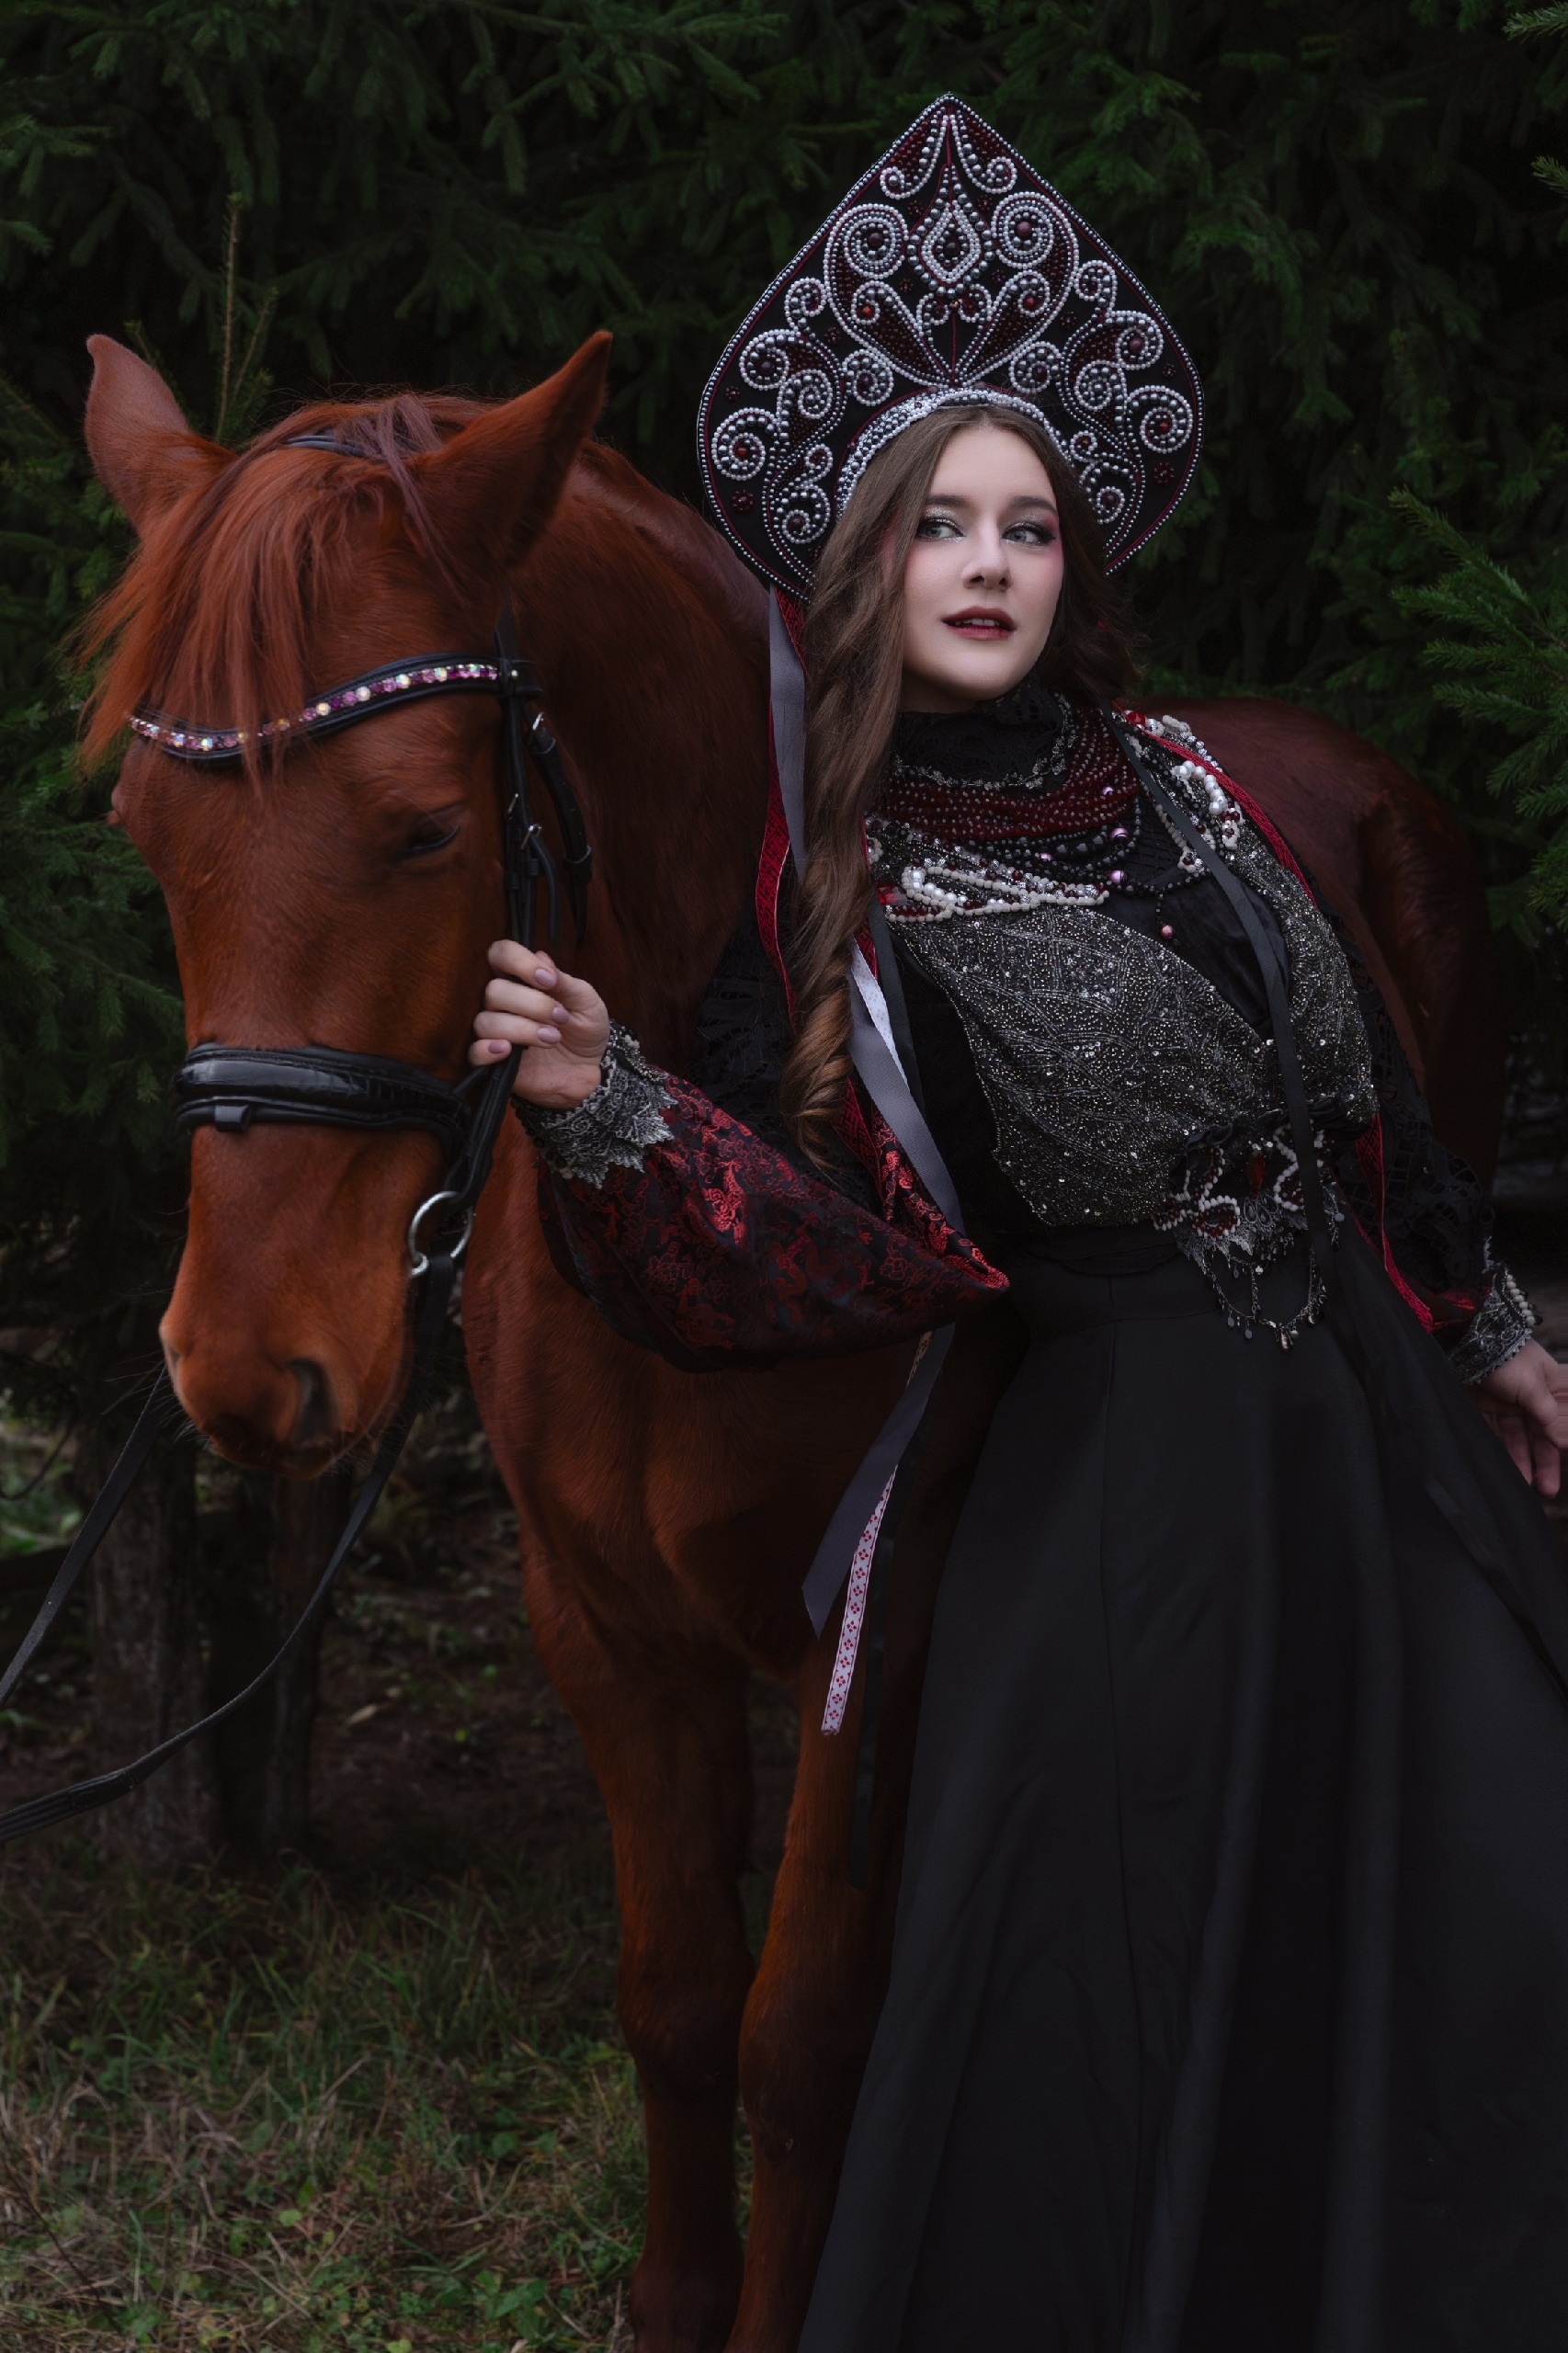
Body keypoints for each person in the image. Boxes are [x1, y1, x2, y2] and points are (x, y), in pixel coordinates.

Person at [472, 97, 1568, 2350]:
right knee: (1138, 2010)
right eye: (938, 525)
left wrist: (1485, 1329)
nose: (989, 563)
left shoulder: (1183, 782)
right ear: (861, 571)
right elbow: (820, 1248)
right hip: (1123, 1512)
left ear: (1076, 562)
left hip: (1365, 1452)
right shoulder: (834, 893)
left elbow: (1357, 1093)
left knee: (1494, 1907)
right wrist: (608, 1105)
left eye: (1028, 525)